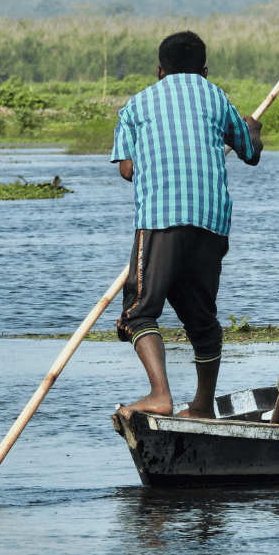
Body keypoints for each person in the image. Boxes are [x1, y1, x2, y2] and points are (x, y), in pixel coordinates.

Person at [111, 30, 263, 420]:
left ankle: (160, 395)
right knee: (201, 319)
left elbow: (128, 171)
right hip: (211, 222)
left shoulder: (136, 105)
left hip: (161, 219)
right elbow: (249, 152)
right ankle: (201, 407)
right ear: (205, 70)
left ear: (160, 71)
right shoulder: (216, 96)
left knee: (138, 312)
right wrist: (254, 132)